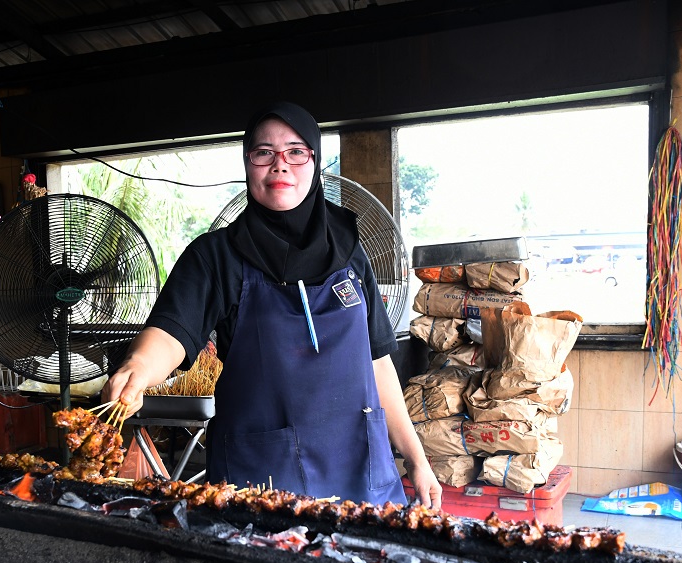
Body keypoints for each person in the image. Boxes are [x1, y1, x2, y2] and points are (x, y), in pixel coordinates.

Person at [102, 101, 442, 509]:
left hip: (360, 469)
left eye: (296, 152)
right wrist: (137, 368)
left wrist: (417, 459)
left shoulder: (350, 251)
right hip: (260, 478)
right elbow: (173, 331)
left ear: (315, 162)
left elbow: (377, 363)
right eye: (264, 153)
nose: (280, 165)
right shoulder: (217, 256)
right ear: (248, 164)